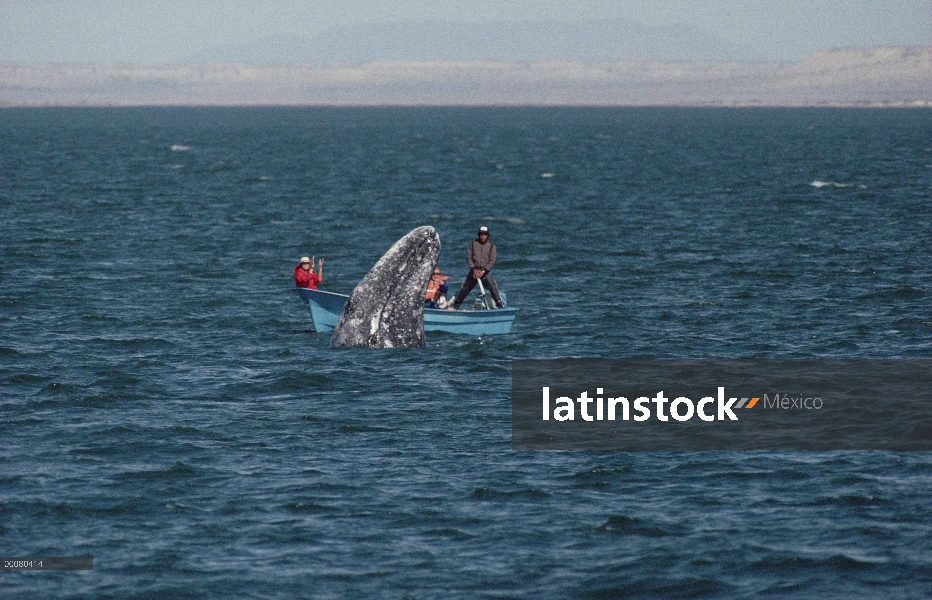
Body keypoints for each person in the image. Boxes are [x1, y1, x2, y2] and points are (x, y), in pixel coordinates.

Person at [451, 225, 504, 310]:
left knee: (492, 285)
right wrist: (473, 269)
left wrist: (483, 271)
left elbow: (492, 260)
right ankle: (457, 305)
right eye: (481, 234)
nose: (482, 236)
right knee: (465, 288)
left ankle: (499, 304)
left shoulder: (491, 246)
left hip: (485, 271)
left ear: (487, 235)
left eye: (485, 234)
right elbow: (469, 258)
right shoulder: (472, 244)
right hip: (474, 271)